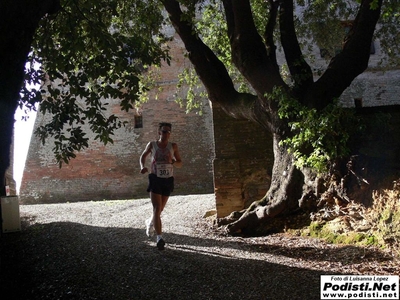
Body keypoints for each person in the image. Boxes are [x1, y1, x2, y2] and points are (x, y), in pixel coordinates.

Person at [139, 122, 182, 250]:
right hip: (155, 178)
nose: (166, 134)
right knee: (157, 208)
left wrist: (175, 162)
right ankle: (159, 238)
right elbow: (143, 156)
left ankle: (150, 222)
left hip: (168, 180)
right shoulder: (152, 145)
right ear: (159, 132)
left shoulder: (173, 146)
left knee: (160, 209)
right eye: (164, 131)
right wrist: (142, 167)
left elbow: (180, 163)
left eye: (168, 132)